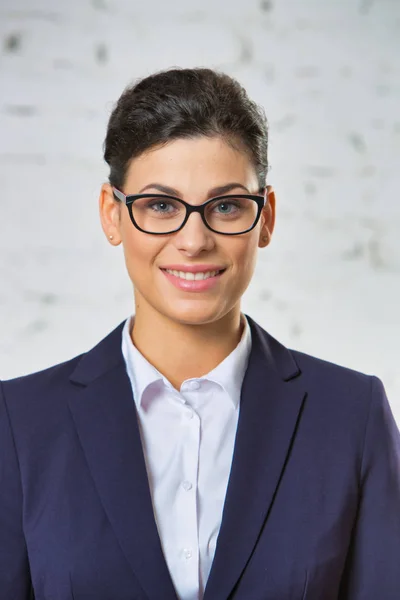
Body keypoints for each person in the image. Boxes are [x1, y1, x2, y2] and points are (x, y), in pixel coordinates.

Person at [0, 67, 399, 600]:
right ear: (111, 214)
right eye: (161, 206)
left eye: (227, 206)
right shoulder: (20, 424)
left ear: (266, 218)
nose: (194, 240)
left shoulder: (352, 417)